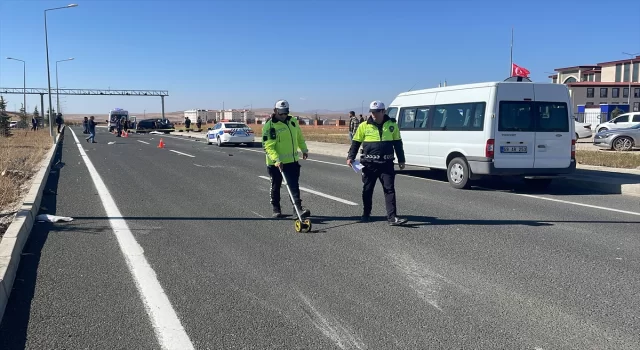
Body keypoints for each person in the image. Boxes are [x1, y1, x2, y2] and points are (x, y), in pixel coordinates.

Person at [347, 100, 408, 226]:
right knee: (367, 189)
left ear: (383, 111)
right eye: (372, 112)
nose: (373, 114)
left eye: (376, 112)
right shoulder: (364, 125)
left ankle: (392, 217)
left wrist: (401, 160)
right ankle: (366, 213)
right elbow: (356, 142)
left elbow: (398, 143)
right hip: (369, 164)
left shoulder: (392, 125)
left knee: (389, 189)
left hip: (386, 163)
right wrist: (350, 157)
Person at [262, 99, 311, 218]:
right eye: (281, 113)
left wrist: (304, 149)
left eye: (285, 112)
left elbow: (299, 136)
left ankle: (297, 209)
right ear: (275, 111)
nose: (284, 115)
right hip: (276, 163)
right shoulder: (270, 126)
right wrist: (276, 160)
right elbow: (268, 146)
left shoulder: (293, 121)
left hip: (292, 161)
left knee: (293, 185)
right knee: (276, 185)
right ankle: (276, 208)